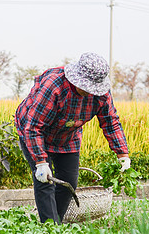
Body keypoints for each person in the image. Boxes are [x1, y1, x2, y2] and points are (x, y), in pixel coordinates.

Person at [15, 52, 130, 224]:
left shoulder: (101, 94)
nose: (90, 91)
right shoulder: (53, 86)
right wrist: (40, 162)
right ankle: (50, 229)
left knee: (69, 182)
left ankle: (57, 223)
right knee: (45, 181)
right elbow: (33, 127)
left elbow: (110, 121)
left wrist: (123, 154)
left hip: (68, 136)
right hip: (35, 133)